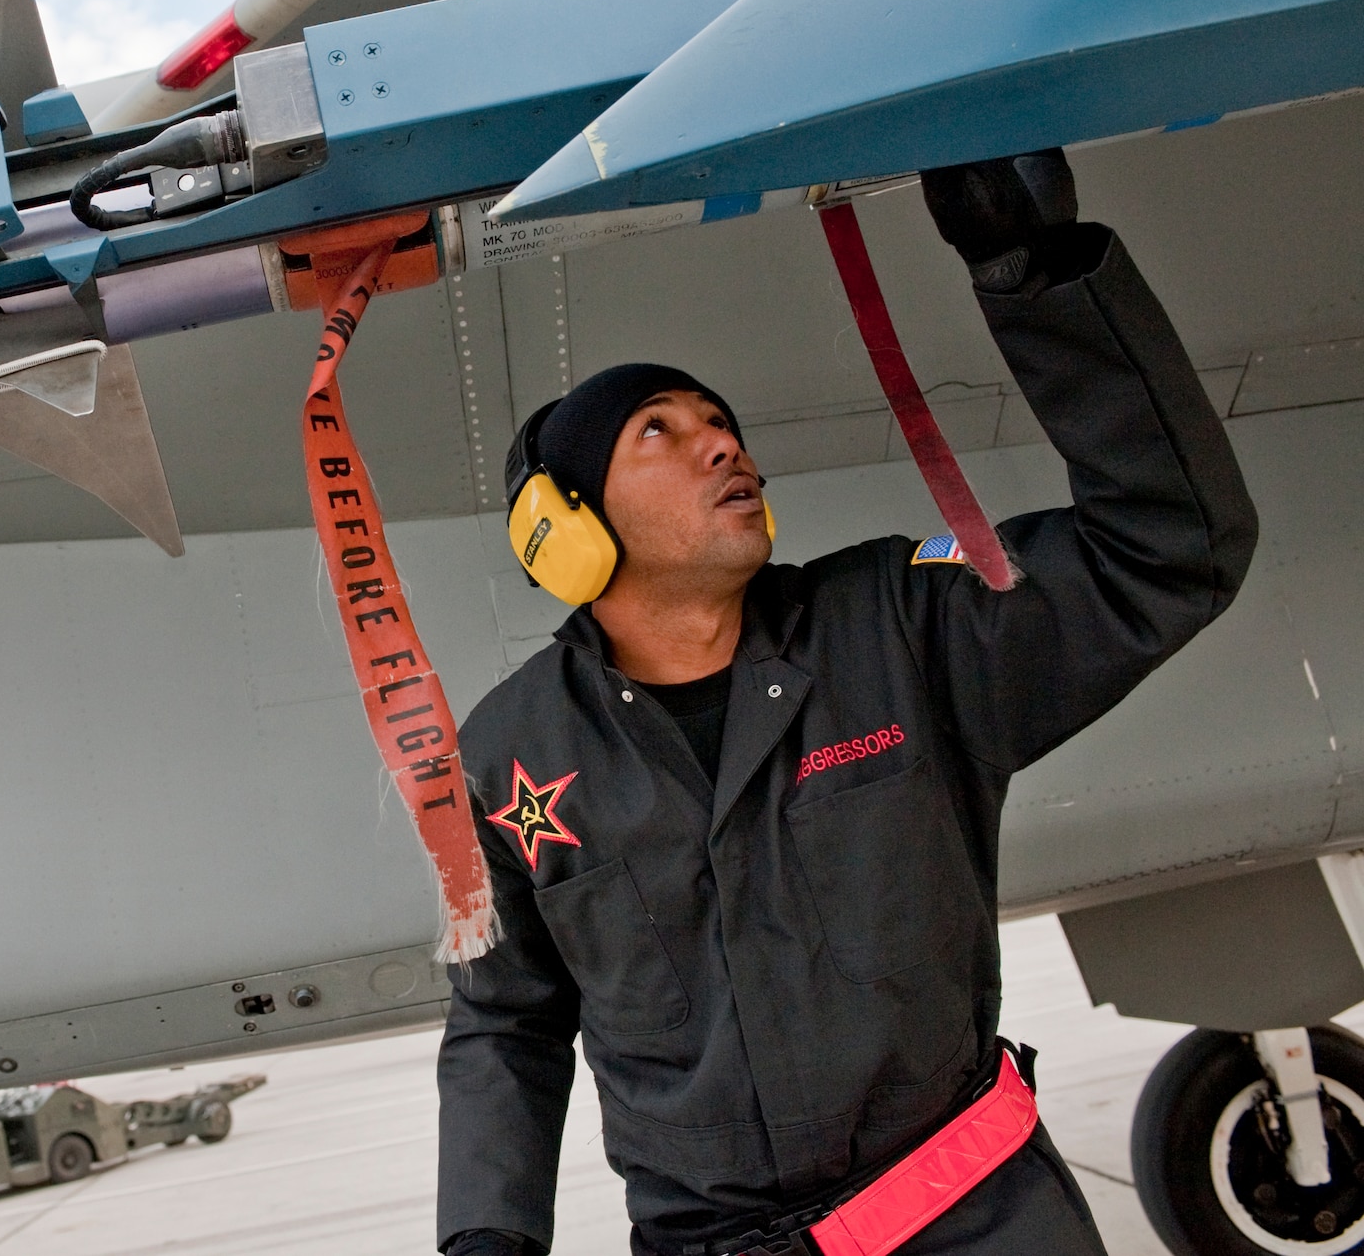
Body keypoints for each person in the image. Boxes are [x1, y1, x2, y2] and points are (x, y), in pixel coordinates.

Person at [436, 149, 1258, 1256]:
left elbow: (1168, 549)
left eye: (718, 419)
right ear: (567, 530)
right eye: (659, 431)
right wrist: (485, 1237)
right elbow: (504, 1019)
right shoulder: (511, 752)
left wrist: (1033, 269)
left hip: (975, 1218)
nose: (722, 442)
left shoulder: (896, 630)